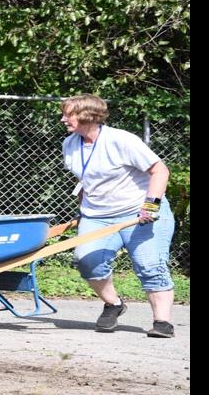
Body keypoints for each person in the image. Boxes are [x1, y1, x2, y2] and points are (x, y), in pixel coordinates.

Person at [59, 94, 176, 337]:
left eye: (68, 114)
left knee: (149, 264)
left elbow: (160, 170)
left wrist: (151, 205)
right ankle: (114, 305)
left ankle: (162, 322)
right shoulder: (70, 144)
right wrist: (84, 211)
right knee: (86, 260)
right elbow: (85, 180)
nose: (63, 119)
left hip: (139, 211)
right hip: (98, 216)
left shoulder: (121, 140)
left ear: (87, 115)